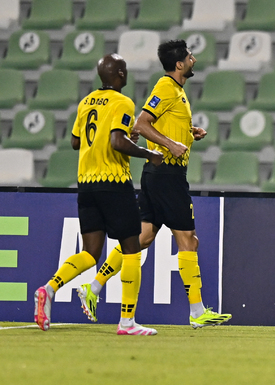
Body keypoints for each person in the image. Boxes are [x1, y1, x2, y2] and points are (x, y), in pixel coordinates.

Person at [77, 40, 232, 329]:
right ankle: (197, 312)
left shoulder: (177, 92)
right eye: (190, 56)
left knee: (143, 238)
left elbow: (159, 124)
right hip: (167, 176)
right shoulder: (165, 87)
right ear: (179, 64)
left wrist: (187, 133)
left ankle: (93, 287)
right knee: (189, 240)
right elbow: (141, 124)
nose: (194, 59)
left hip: (158, 176)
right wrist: (171, 143)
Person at [34, 54, 163, 335]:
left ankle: (49, 288)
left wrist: (123, 138)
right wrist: (148, 153)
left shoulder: (86, 101)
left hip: (86, 184)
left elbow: (75, 141)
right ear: (118, 74)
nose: (126, 73)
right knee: (131, 250)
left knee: (90, 253)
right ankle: (127, 322)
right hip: (114, 182)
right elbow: (117, 142)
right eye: (125, 70)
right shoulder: (122, 102)